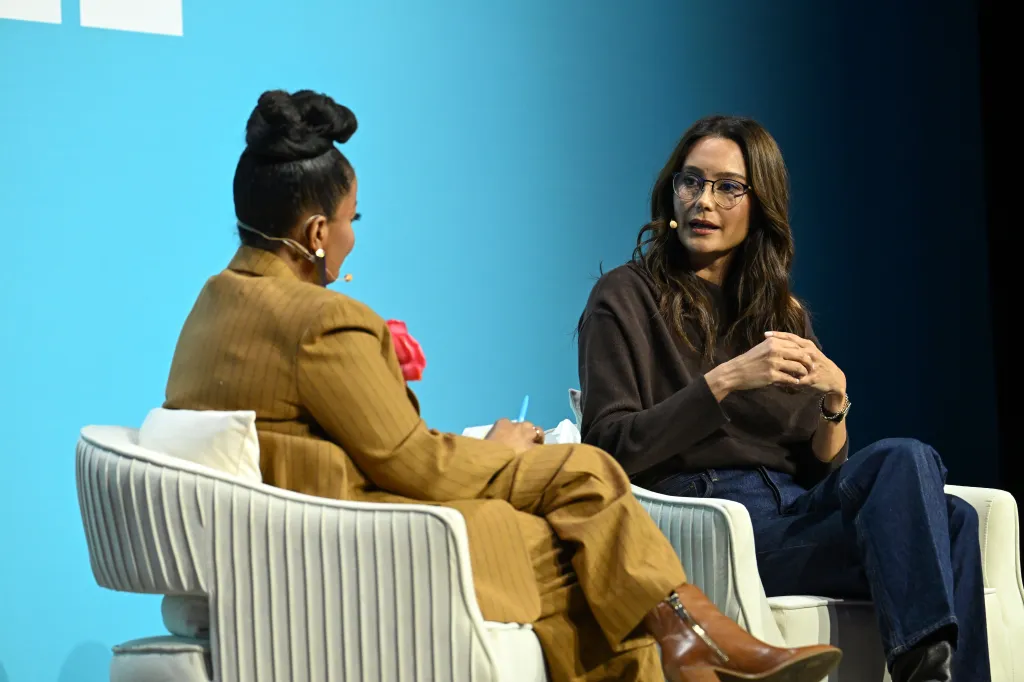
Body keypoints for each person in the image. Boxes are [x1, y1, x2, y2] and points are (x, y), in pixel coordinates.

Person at [163, 91, 840, 682]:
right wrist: (503, 448)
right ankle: (697, 636)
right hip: (369, 542)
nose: (350, 239)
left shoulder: (216, 304)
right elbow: (415, 465)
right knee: (589, 504)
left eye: (728, 188)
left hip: (308, 526)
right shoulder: (323, 321)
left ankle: (692, 642)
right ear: (316, 232)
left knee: (597, 539)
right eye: (352, 221)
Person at [576, 114, 989, 682]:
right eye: (690, 181)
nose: (703, 201)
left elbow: (819, 473)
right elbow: (607, 446)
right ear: (671, 190)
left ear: (759, 204)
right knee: (947, 518)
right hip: (719, 524)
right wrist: (726, 380)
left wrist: (835, 404)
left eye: (728, 187)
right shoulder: (625, 295)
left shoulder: (780, 312)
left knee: (921, 476)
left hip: (795, 515)